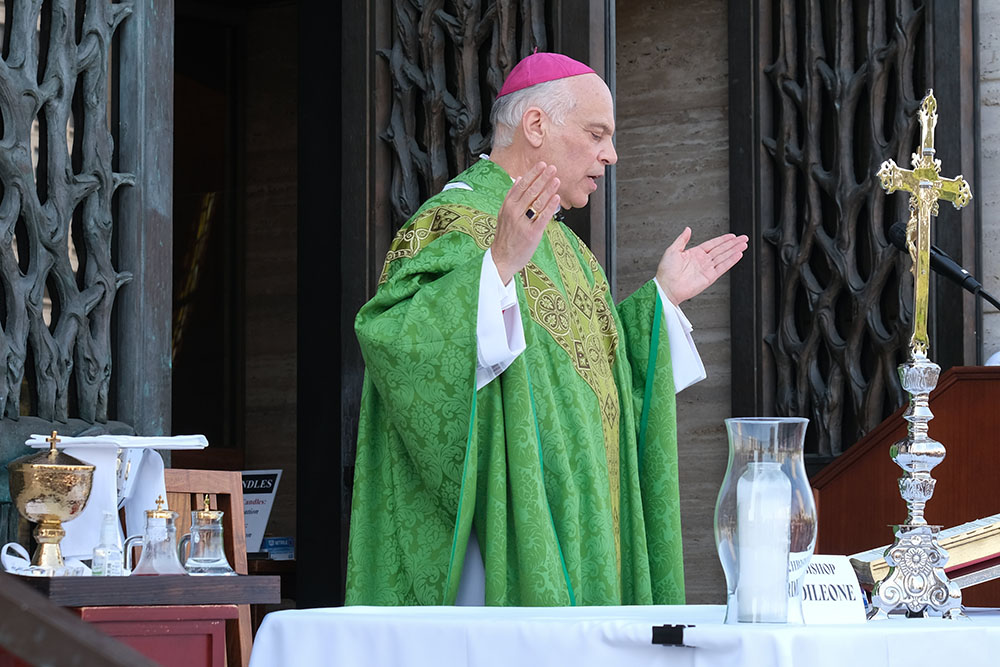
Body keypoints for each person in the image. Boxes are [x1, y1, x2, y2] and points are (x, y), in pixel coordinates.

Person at [346, 52, 748, 606]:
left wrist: (661, 302)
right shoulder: (454, 221)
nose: (612, 154)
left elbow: (606, 387)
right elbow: (395, 341)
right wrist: (496, 269)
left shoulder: (572, 251)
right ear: (536, 125)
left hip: (586, 531)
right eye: (597, 133)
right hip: (506, 544)